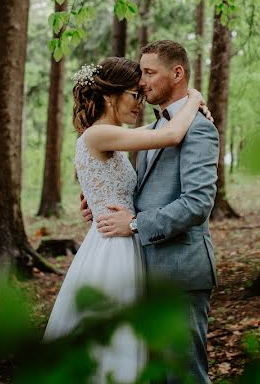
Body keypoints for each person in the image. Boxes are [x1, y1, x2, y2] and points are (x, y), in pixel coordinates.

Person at [43, 55, 208, 384]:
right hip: (112, 252)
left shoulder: (112, 136)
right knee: (113, 349)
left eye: (143, 96)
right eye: (135, 95)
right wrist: (196, 98)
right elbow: (172, 134)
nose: (140, 103)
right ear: (109, 96)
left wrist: (96, 204)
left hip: (128, 243)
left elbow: (163, 127)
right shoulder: (98, 135)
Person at [85, 40, 219, 384]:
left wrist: (132, 222)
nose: (141, 83)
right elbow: (144, 190)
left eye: (148, 72)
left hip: (180, 272)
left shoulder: (198, 128)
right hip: (143, 268)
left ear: (177, 73)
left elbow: (198, 203)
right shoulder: (158, 128)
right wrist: (100, 202)